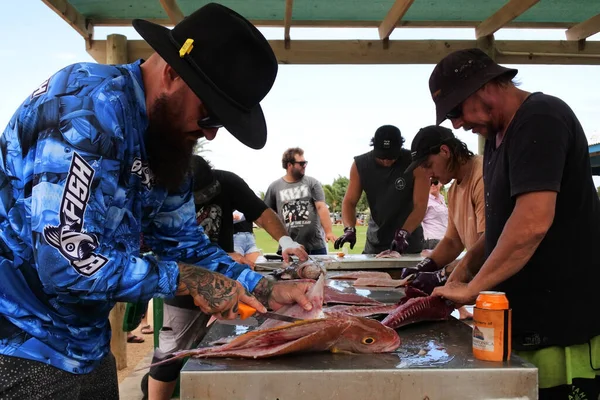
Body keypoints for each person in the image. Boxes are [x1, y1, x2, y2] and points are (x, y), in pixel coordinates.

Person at [0, 4, 314, 399]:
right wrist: (183, 278)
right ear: (171, 73)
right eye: (209, 115)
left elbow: (184, 244)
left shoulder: (164, 138)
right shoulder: (87, 107)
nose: (210, 135)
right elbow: (65, 262)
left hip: (87, 348)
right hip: (19, 350)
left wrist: (263, 288)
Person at [429, 48, 600, 399]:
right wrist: (464, 266)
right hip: (523, 319)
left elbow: (532, 222)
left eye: (456, 112)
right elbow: (500, 227)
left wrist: (472, 288)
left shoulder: (541, 117)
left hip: (563, 323)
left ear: (484, 87)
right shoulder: (494, 141)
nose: (457, 125)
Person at [147, 155, 309, 399]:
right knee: (170, 352)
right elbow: (110, 267)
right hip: (178, 284)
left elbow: (196, 250)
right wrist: (191, 280)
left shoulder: (226, 182)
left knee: (223, 346)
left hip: (223, 276)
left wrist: (265, 286)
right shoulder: (146, 197)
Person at [402, 125, 484, 321]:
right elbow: (453, 241)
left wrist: (443, 275)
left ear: (445, 151)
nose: (429, 174)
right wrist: (425, 266)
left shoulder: (483, 175)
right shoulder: (455, 189)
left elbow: (489, 242)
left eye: (429, 165)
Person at [334, 125, 429, 254]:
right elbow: (349, 202)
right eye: (382, 157)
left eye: (391, 157)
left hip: (409, 238)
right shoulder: (360, 165)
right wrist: (349, 229)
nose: (386, 161)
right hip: (376, 237)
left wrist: (404, 233)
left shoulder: (415, 163)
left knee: (409, 273)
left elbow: (420, 205)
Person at [265, 148, 337, 255]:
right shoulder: (274, 187)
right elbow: (268, 214)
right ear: (289, 165)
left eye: (305, 163)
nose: (304, 166)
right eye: (301, 163)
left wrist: (328, 232)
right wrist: (275, 233)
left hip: (315, 247)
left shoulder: (312, 183)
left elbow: (321, 207)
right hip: (288, 248)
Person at [421, 179, 448, 250]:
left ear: (440, 183)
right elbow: (418, 221)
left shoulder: (442, 199)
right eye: (430, 183)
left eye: (435, 182)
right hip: (433, 240)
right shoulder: (425, 200)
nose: (432, 185)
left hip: (444, 240)